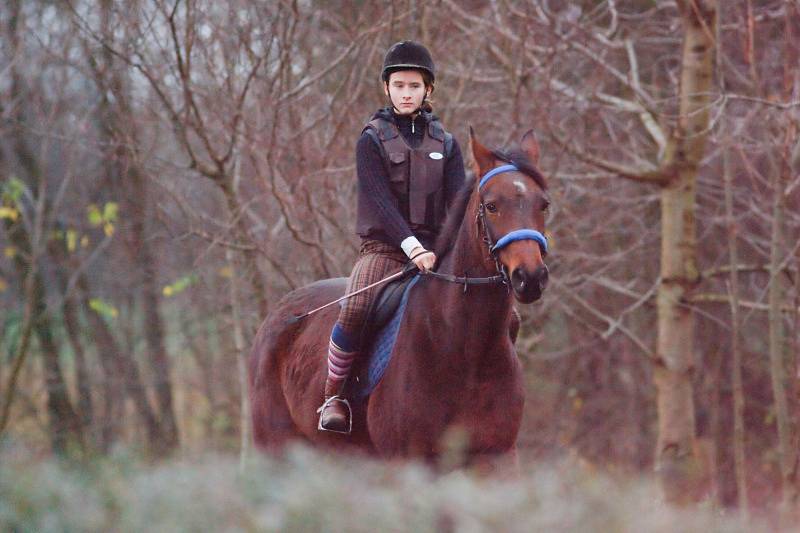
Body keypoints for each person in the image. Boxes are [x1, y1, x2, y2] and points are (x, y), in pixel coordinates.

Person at [318, 41, 466, 433]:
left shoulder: (447, 144)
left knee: (498, 310)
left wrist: (446, 250)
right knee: (354, 307)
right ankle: (334, 396)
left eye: (413, 86)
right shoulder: (370, 139)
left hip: (437, 253)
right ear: (386, 88)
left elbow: (457, 205)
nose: (405, 93)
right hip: (384, 250)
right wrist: (413, 248)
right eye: (398, 85)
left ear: (428, 91)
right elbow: (381, 203)